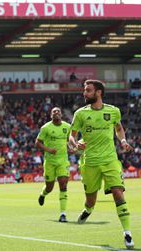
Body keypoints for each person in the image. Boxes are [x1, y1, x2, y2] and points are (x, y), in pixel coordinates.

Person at [69, 79, 134, 249]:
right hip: (90, 162)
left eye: (88, 90)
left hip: (110, 160)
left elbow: (118, 128)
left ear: (98, 92)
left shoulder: (113, 111)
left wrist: (123, 141)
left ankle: (127, 232)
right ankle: (88, 210)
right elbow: (71, 135)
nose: (85, 93)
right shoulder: (80, 113)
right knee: (91, 200)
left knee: (118, 193)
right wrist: (75, 144)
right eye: (85, 90)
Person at [36, 107, 71, 223]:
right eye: (54, 112)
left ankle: (63, 214)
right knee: (49, 187)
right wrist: (48, 149)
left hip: (63, 161)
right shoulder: (45, 128)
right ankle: (43, 194)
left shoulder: (67, 127)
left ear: (61, 114)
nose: (56, 113)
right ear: (51, 115)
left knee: (63, 184)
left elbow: (70, 141)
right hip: (50, 162)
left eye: (58, 111)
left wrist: (73, 147)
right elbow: (38, 142)